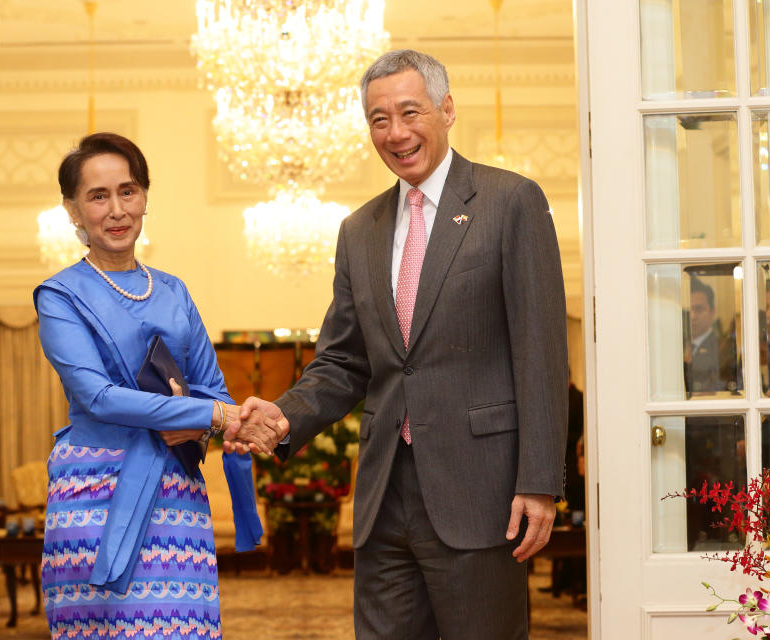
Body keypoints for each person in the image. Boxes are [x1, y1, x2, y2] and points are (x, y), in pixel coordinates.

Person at [230, 49, 568, 639]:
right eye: (378, 119)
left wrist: (539, 482)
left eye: (409, 112)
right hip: (383, 496)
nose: (396, 132)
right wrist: (283, 416)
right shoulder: (358, 231)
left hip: (481, 491)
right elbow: (343, 361)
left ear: (447, 109)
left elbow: (540, 354)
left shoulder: (510, 202)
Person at [34, 132, 283, 640]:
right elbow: (97, 397)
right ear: (73, 210)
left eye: (128, 191)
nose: (117, 209)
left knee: (182, 628)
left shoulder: (173, 291)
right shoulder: (59, 296)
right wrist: (208, 417)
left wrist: (206, 422)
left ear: (145, 196)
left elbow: (215, 392)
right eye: (98, 196)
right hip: (94, 490)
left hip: (176, 488)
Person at [684, 277, 738, 396]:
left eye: (699, 309)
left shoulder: (725, 348)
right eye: (689, 310)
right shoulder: (677, 346)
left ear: (712, 313)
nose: (692, 316)